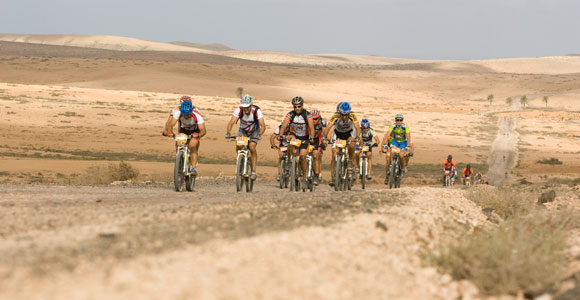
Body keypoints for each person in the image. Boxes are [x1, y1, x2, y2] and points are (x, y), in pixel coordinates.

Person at [225, 94, 266, 180]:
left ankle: (254, 171)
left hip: (254, 131)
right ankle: (241, 160)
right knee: (239, 145)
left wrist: (259, 135)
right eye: (244, 107)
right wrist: (228, 132)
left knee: (252, 147)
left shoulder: (257, 111)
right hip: (243, 131)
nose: (246, 109)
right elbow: (231, 123)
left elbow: (263, 126)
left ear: (251, 105)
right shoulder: (239, 110)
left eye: (247, 107)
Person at [163, 99, 207, 176]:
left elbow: (203, 130)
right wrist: (170, 132)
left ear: (191, 111)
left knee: (193, 145)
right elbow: (171, 124)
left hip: (194, 131)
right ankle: (179, 160)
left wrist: (198, 135)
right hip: (183, 130)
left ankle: (193, 168)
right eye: (184, 114)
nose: (185, 116)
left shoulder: (197, 115)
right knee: (178, 143)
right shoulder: (178, 113)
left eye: (187, 114)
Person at [279, 96, 315, 186]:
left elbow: (311, 127)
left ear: (302, 106)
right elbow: (284, 125)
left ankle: (304, 176)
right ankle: (289, 162)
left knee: (303, 156)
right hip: (294, 135)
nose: (297, 108)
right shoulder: (290, 114)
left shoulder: (307, 115)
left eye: (299, 106)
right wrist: (280, 135)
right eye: (295, 106)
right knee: (290, 142)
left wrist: (312, 137)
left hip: (305, 137)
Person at [323, 101, 360, 186]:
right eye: (342, 114)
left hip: (349, 133)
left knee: (351, 145)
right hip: (338, 134)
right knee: (334, 154)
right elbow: (328, 126)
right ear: (339, 112)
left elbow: (357, 127)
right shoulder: (335, 116)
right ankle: (333, 177)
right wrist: (324, 137)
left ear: (349, 113)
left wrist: (357, 138)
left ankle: (350, 161)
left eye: (346, 115)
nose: (344, 117)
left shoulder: (352, 115)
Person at [380, 113, 414, 184]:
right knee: (392, 152)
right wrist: (385, 144)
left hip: (403, 142)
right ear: (395, 120)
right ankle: (392, 166)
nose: (399, 121)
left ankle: (402, 168)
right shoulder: (393, 126)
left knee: (401, 155)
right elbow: (387, 135)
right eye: (397, 120)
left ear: (402, 120)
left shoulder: (405, 127)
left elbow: (408, 137)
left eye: (400, 120)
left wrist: (408, 146)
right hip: (395, 141)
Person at [310, 108, 327, 185]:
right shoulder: (308, 121)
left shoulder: (322, 122)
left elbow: (324, 132)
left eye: (316, 119)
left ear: (319, 117)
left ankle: (317, 174)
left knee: (317, 155)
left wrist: (324, 142)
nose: (314, 120)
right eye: (312, 119)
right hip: (309, 138)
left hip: (318, 139)